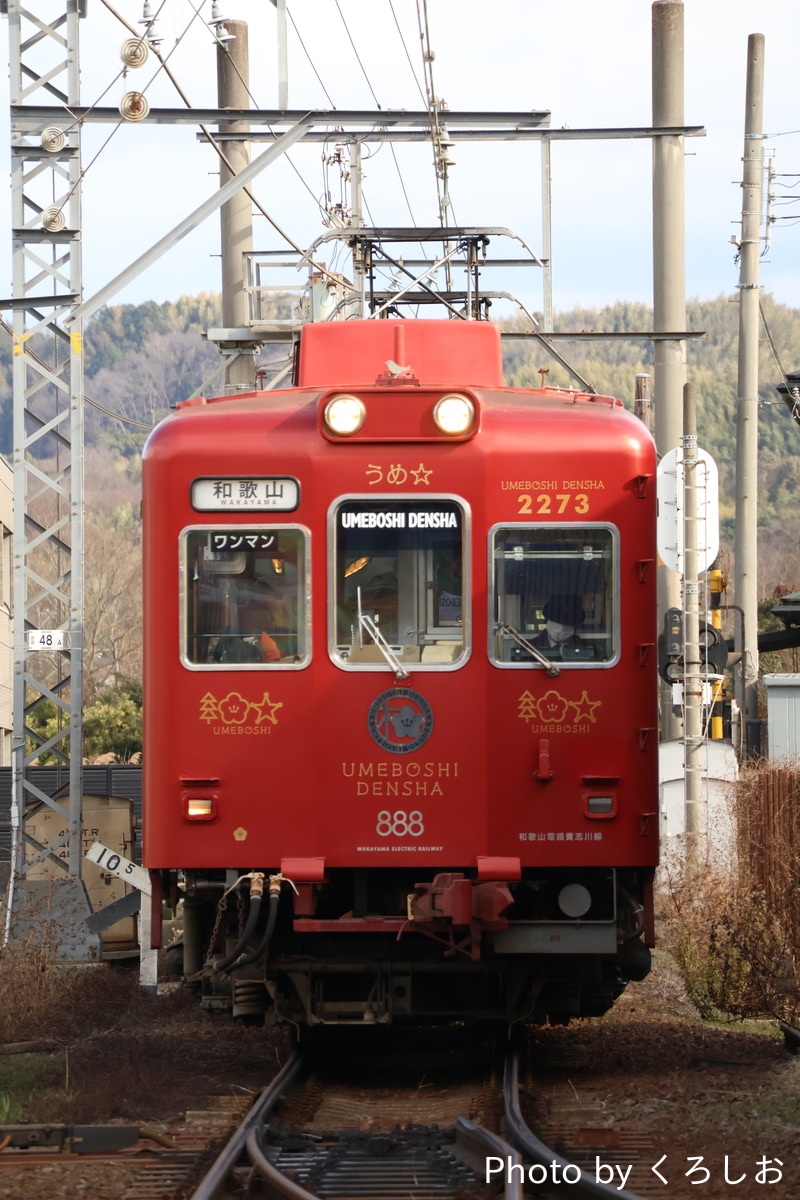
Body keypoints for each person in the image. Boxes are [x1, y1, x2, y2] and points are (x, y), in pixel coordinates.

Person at [532, 594, 594, 661]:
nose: (560, 629)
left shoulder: (586, 647)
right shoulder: (530, 647)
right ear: (547, 621)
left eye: (567, 624)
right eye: (556, 621)